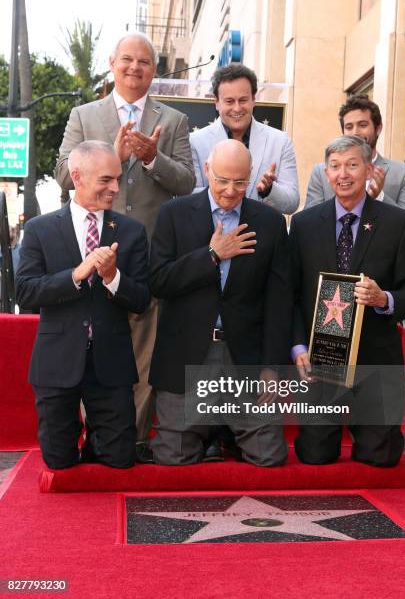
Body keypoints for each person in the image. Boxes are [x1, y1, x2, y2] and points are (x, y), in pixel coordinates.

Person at [54, 32, 195, 458]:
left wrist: (153, 158)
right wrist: (108, 156)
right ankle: (94, 434)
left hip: (148, 251)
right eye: (127, 60)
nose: (135, 68)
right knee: (90, 342)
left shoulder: (173, 121)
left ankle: (128, 440)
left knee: (143, 350)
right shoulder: (85, 115)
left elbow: (188, 183)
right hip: (92, 249)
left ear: (155, 70)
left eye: (145, 62)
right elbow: (63, 176)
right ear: (112, 63)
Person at [148, 139, 291, 466]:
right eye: (223, 180)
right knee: (173, 458)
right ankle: (212, 432)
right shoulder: (174, 213)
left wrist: (272, 366)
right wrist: (211, 255)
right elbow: (157, 282)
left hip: (244, 357)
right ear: (207, 170)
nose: (230, 190)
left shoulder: (269, 223)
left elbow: (279, 302)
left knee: (270, 457)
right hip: (188, 356)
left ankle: (226, 435)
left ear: (251, 176)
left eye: (240, 182)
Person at [16, 141, 150, 469]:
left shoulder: (131, 231)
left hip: (110, 362)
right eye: (106, 179)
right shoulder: (39, 230)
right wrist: (77, 274)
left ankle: (97, 438)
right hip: (57, 362)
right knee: (58, 462)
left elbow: (143, 299)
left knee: (120, 459)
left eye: (117, 179)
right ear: (77, 176)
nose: (115, 188)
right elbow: (26, 292)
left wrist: (111, 277)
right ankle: (76, 434)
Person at [290, 135, 405, 467]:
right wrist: (298, 348)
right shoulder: (304, 225)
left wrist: (384, 298)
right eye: (334, 166)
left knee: (380, 459)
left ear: (369, 170)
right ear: (325, 173)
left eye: (352, 164)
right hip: (323, 361)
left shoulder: (398, 224)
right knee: (314, 456)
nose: (343, 174)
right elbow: (289, 294)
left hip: (375, 359)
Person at [190, 64, 299, 214]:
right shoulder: (195, 142)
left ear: (254, 99)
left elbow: (292, 203)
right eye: (229, 101)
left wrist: (269, 191)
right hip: (214, 234)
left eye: (243, 100)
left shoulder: (280, 141)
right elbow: (190, 197)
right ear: (216, 102)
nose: (237, 108)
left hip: (262, 234)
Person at [305, 94, 405, 214]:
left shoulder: (403, 173)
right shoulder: (321, 172)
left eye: (363, 125)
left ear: (378, 128)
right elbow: (310, 222)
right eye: (349, 127)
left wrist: (380, 197)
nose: (355, 132)